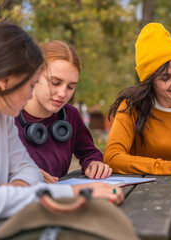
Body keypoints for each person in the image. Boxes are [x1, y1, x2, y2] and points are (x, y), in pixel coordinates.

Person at [0, 22, 123, 222]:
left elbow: (27, 170)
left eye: (70, 86)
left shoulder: (3, 118)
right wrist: (74, 192)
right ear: (5, 82)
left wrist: (12, 192)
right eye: (31, 85)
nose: (30, 95)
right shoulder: (10, 115)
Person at [103, 23, 171, 175]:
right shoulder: (131, 108)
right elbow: (112, 158)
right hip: (144, 193)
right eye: (166, 78)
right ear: (150, 82)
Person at [15, 40, 112, 183]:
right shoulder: (3, 115)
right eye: (55, 83)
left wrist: (94, 163)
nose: (63, 93)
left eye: (71, 87)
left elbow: (89, 153)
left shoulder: (71, 115)